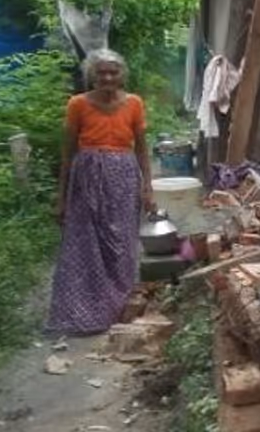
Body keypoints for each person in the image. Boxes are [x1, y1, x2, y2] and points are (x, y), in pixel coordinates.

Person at [47, 48, 154, 335]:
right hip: (86, 179)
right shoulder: (77, 104)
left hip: (123, 178)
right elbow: (68, 153)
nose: (107, 77)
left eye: (113, 72)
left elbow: (142, 149)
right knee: (84, 245)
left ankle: (119, 308)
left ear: (122, 76)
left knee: (121, 243)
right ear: (91, 76)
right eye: (101, 72)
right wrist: (61, 198)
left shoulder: (134, 103)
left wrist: (148, 188)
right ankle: (83, 312)